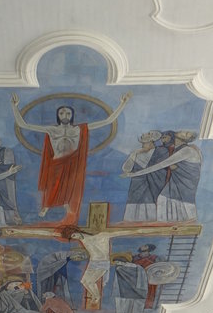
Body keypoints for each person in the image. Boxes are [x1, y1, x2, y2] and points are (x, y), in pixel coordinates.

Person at [11, 92, 131, 224]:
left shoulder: (78, 130)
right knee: (53, 185)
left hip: (71, 162)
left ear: (72, 115)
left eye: (68, 113)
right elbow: (24, 125)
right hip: (56, 162)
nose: (65, 115)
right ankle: (47, 205)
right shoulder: (52, 130)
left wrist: (122, 103)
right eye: (62, 113)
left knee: (69, 186)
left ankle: (67, 204)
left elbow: (107, 121)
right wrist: (15, 106)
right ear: (58, 115)